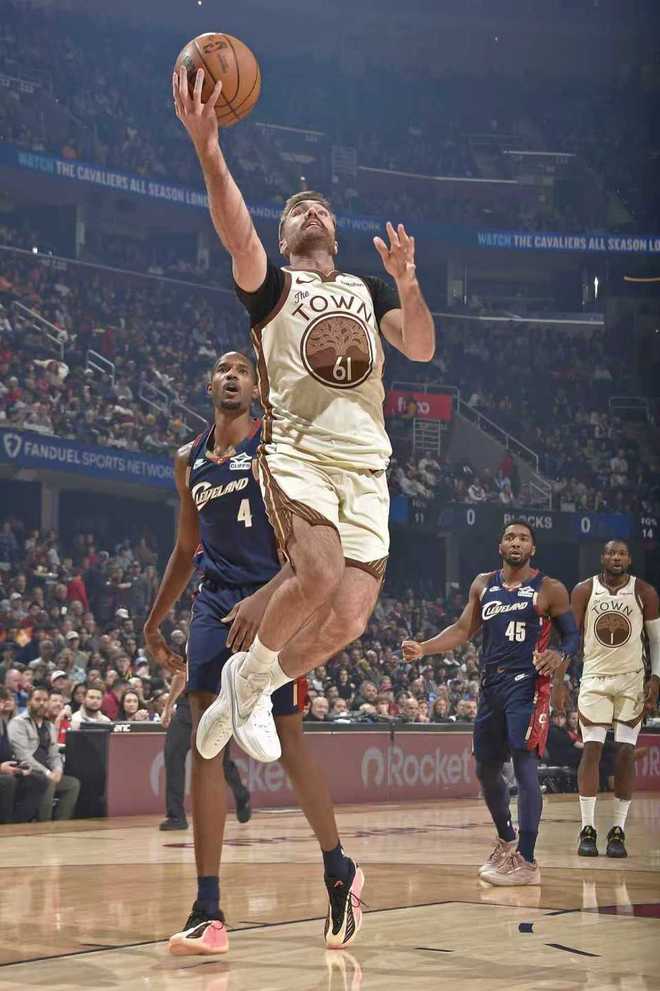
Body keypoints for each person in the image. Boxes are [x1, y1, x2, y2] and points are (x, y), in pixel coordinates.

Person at [172, 65, 435, 767]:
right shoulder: (273, 285)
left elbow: (420, 345)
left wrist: (408, 283)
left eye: (321, 209)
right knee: (316, 572)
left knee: (349, 617)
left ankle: (251, 685)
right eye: (297, 211)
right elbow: (236, 231)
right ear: (284, 237)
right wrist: (209, 148)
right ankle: (252, 681)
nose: (312, 213)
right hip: (299, 453)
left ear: (336, 235)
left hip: (368, 466)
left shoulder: (368, 286)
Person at [144, 352, 363, 956]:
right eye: (223, 368)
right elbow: (185, 548)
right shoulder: (188, 460)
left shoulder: (277, 450)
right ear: (210, 383)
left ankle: (339, 869)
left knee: (289, 744)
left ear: (259, 388)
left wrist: (267, 599)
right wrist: (154, 621)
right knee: (204, 740)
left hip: (277, 597)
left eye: (243, 369)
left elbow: (310, 553)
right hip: (215, 602)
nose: (233, 375)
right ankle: (208, 910)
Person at [402, 521, 579, 886]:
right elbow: (462, 630)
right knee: (485, 769)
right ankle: (506, 840)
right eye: (510, 537)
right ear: (500, 546)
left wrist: (559, 654)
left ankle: (527, 860)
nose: (516, 542)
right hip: (491, 685)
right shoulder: (483, 584)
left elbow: (573, 637)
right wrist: (424, 648)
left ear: (533, 549)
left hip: (527, 683)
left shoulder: (549, 588)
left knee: (524, 764)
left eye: (524, 538)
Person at [572, 540, 659, 858]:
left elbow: (656, 640)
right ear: (602, 557)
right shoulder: (584, 590)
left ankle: (618, 830)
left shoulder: (644, 592)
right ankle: (587, 828)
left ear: (629, 559)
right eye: (610, 553)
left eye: (621, 553)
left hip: (631, 679)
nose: (616, 557)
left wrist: (656, 678)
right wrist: (559, 680)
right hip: (594, 677)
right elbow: (571, 637)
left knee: (625, 752)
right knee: (591, 749)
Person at [159, 672, 251, 831]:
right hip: (204, 707)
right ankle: (176, 815)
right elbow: (181, 675)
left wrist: (167, 708)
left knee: (217, 761)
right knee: (177, 755)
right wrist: (168, 707)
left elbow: (180, 675)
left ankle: (176, 816)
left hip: (210, 706)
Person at [8, 687, 80, 821]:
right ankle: (44, 824)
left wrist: (58, 770)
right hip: (25, 772)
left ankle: (60, 824)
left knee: (73, 784)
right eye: (37, 699)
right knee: (48, 782)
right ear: (29, 702)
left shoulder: (49, 726)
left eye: (45, 700)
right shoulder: (18, 723)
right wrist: (47, 773)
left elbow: (54, 754)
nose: (42, 703)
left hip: (45, 773)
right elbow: (22, 755)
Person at [0, 687, 48, 823]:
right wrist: (1, 768)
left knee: (38, 779)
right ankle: (5, 824)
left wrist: (19, 766)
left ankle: (18, 822)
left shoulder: (4, 723)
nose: (3, 704)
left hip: (6, 769)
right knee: (8, 781)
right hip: (3, 773)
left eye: (4, 700)